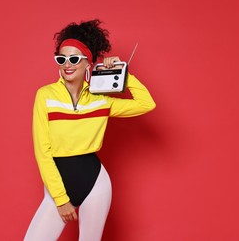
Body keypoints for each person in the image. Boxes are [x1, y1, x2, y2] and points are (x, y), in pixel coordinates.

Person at [24, 19, 156, 241]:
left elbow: (146, 103)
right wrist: (61, 199)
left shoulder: (101, 100)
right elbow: (42, 151)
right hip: (60, 182)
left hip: (95, 182)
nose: (67, 64)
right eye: (61, 58)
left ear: (89, 63)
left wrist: (123, 72)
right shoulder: (45, 96)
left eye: (74, 58)